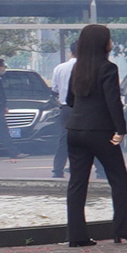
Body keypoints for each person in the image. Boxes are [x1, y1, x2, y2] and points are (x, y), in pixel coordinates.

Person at [57, 22, 127, 247]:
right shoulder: (108, 68)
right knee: (118, 179)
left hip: (75, 130)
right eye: (109, 39)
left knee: (77, 183)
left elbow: (71, 100)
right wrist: (121, 129)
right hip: (100, 131)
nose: (111, 43)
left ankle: (76, 236)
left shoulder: (78, 68)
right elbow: (113, 101)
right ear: (103, 43)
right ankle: (123, 230)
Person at [47, 42, 77, 179]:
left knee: (64, 139)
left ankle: (57, 169)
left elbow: (55, 89)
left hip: (65, 108)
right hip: (84, 108)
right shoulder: (89, 68)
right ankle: (100, 170)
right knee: (90, 138)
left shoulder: (60, 68)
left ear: (70, 52)